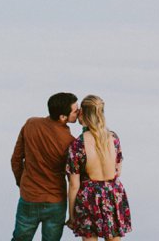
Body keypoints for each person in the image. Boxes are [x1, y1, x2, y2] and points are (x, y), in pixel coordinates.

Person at [11, 92, 80, 241]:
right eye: (76, 110)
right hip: (55, 201)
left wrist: (22, 183)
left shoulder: (30, 124)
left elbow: (16, 160)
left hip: (29, 196)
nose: (79, 112)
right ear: (63, 117)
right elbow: (73, 179)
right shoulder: (71, 143)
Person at [66, 95, 132, 240]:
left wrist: (71, 215)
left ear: (82, 113)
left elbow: (73, 185)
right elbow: (118, 170)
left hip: (89, 197)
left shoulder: (78, 144)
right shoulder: (113, 138)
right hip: (113, 194)